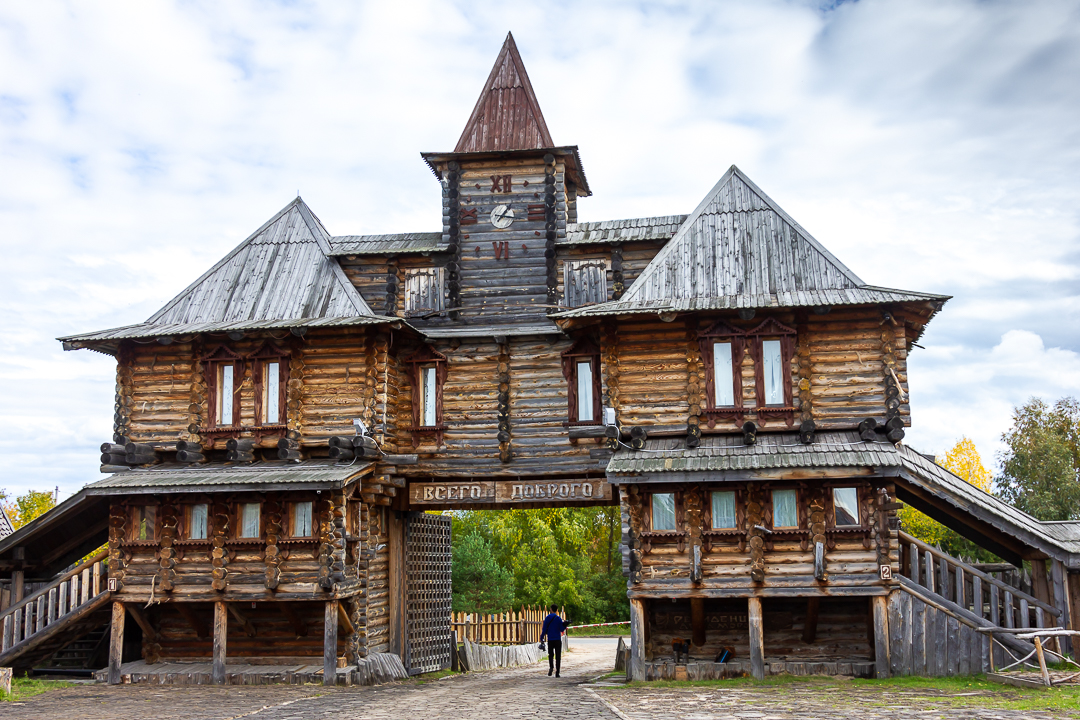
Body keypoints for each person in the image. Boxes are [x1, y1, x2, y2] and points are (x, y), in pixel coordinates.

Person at [540, 604, 566, 677]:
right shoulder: (558, 619)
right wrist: (565, 625)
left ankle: (551, 667)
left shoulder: (547, 618)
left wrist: (541, 637)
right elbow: (561, 629)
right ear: (557, 610)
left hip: (550, 639)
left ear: (551, 609)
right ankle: (557, 672)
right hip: (557, 639)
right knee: (558, 656)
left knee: (551, 654)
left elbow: (544, 629)